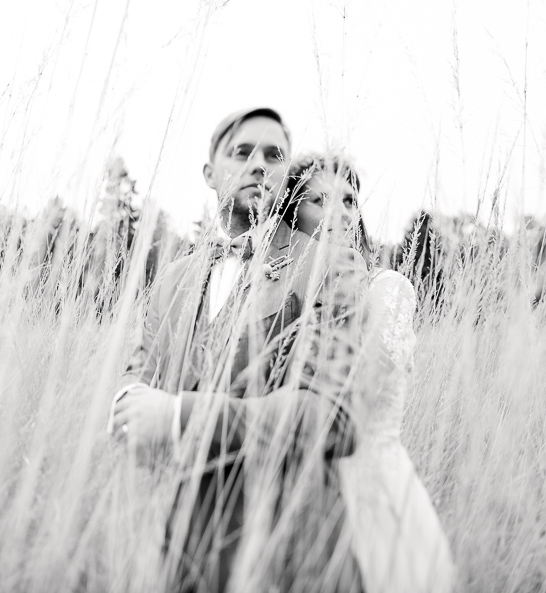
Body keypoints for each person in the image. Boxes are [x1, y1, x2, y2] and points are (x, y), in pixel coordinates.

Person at [108, 109, 369, 592]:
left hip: (289, 548)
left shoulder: (327, 266)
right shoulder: (171, 279)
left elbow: (333, 417)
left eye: (274, 155)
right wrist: (124, 405)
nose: (257, 164)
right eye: (241, 152)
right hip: (182, 543)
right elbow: (136, 371)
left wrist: (178, 416)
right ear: (210, 174)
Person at [279, 154, 456, 593]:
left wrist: (341, 296)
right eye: (319, 200)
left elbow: (359, 398)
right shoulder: (278, 296)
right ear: (292, 217)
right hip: (295, 494)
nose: (339, 212)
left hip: (372, 487)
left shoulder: (387, 289)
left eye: (349, 199)